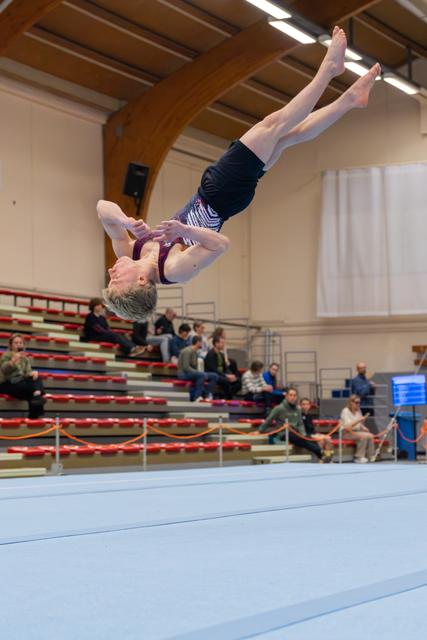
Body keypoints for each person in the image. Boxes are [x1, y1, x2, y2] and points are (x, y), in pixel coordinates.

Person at [98, 28, 380, 321]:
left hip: (216, 192)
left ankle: (350, 98)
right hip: (221, 195)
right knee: (273, 125)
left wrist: (124, 220)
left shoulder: (129, 251)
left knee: (287, 136)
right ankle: (329, 70)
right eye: (115, 280)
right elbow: (221, 245)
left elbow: (102, 209)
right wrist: (184, 231)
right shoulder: (173, 270)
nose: (110, 271)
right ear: (141, 283)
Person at [259, 387, 327, 462]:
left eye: (294, 395)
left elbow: (300, 423)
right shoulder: (279, 408)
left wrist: (304, 434)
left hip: (296, 432)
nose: (292, 397)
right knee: (300, 439)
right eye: (291, 395)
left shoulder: (298, 409)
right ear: (286, 396)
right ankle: (320, 452)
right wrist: (259, 431)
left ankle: (321, 457)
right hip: (284, 433)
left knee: (309, 438)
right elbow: (268, 420)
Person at [0, 334, 46, 419]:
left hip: (20, 383)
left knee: (37, 379)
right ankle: (37, 396)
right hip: (7, 384)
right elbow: (4, 370)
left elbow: (27, 373)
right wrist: (13, 361)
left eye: (21, 343)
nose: (18, 344)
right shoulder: (7, 355)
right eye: (16, 343)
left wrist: (32, 373)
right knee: (33, 389)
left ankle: (34, 415)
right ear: (11, 345)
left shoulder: (25, 359)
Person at [178, 336, 219, 402]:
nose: (202, 344)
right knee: (201, 375)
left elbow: (195, 367)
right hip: (183, 373)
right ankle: (197, 397)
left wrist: (198, 372)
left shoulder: (195, 352)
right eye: (201, 343)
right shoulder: (187, 351)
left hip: (192, 373)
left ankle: (208, 395)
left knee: (215, 376)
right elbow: (186, 367)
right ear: (197, 342)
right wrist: (198, 373)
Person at [340, 395, 375, 463]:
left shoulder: (358, 410)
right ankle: (358, 457)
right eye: (356, 402)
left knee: (370, 435)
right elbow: (348, 426)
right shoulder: (345, 411)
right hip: (347, 432)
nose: (358, 404)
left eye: (359, 402)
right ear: (351, 402)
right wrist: (359, 420)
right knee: (363, 436)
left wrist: (364, 428)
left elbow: (360, 424)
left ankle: (370, 455)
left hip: (356, 431)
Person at [205, 335, 241, 399]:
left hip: (222, 374)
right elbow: (213, 369)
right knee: (225, 381)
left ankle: (225, 396)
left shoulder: (221, 354)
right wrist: (226, 375)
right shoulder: (210, 354)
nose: (223, 345)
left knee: (238, 381)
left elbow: (225, 368)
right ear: (216, 343)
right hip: (214, 375)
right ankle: (229, 397)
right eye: (222, 343)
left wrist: (230, 375)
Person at [300, 397, 334, 461]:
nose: (305, 406)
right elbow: (302, 430)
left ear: (309, 405)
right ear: (300, 405)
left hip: (312, 434)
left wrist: (316, 434)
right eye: (303, 404)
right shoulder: (299, 415)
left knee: (328, 438)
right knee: (321, 440)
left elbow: (312, 429)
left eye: (307, 404)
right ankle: (320, 460)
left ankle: (327, 458)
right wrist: (313, 435)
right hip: (305, 436)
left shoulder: (309, 415)